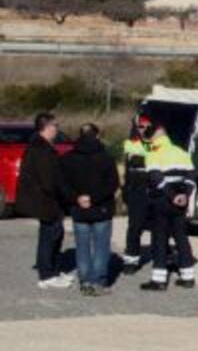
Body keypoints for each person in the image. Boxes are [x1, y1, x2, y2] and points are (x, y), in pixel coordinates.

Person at [61, 123, 120, 296]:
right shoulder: (106, 157)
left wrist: (76, 198)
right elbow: (113, 184)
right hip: (101, 208)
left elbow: (62, 184)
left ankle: (85, 281)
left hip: (79, 209)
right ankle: (98, 281)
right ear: (98, 136)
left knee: (82, 247)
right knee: (101, 247)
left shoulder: (68, 158)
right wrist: (93, 198)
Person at [15, 112, 72, 289]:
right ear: (46, 127)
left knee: (54, 234)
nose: (57, 129)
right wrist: (67, 195)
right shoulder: (41, 149)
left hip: (47, 200)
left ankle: (53, 270)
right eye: (55, 126)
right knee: (50, 236)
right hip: (45, 201)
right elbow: (49, 180)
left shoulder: (42, 147)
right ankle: (46, 274)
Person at [142, 120, 198, 290]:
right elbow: (191, 177)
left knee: (159, 238)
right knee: (181, 237)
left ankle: (159, 280)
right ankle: (188, 277)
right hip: (180, 201)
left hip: (162, 200)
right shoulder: (181, 152)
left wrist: (172, 196)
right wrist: (184, 196)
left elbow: (155, 178)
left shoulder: (153, 153)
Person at [120, 115, 152, 273]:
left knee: (160, 226)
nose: (144, 129)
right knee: (135, 227)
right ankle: (130, 260)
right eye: (141, 126)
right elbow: (138, 159)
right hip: (136, 189)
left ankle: (164, 255)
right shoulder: (130, 143)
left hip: (152, 188)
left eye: (147, 126)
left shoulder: (153, 143)